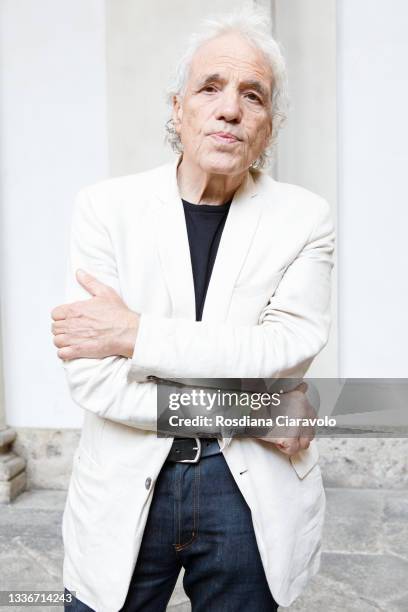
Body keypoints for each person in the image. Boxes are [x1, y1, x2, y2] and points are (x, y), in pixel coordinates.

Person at [51, 7, 335, 612]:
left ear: (270, 126)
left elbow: (282, 351)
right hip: (128, 479)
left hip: (247, 491)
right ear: (178, 108)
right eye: (211, 87)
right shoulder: (105, 209)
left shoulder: (306, 219)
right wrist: (253, 409)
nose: (230, 108)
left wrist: (135, 336)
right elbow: (93, 379)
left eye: (251, 95)